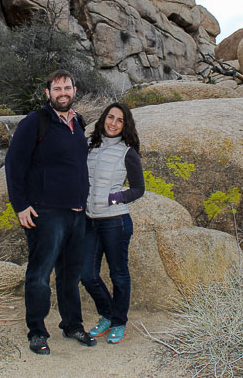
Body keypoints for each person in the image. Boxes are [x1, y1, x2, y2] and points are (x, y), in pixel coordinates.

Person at [4, 69, 96, 356]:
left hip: (77, 213)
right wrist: (20, 205)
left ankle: (72, 325)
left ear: (74, 90)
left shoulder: (78, 122)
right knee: (40, 274)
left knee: (70, 275)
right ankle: (36, 331)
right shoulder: (36, 121)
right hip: (47, 213)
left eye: (67, 88)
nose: (62, 93)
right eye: (57, 89)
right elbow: (14, 164)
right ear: (48, 93)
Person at [81, 102, 144, 344]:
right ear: (103, 119)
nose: (114, 123)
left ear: (125, 126)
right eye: (111, 117)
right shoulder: (89, 146)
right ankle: (107, 315)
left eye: (120, 120)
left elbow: (139, 189)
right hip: (89, 221)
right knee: (86, 274)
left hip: (115, 222)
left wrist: (117, 197)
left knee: (119, 275)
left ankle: (119, 322)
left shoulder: (128, 152)